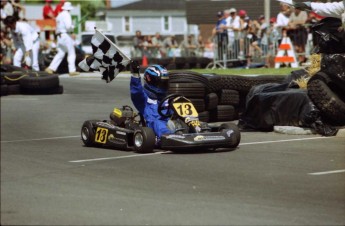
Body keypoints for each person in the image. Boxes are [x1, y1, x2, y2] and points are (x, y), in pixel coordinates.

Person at [129, 60, 174, 140]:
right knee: (158, 123)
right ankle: (169, 138)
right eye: (160, 83)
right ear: (149, 80)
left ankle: (197, 130)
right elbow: (136, 92)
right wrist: (135, 74)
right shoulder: (144, 99)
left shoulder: (167, 98)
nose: (162, 86)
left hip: (169, 123)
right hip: (152, 127)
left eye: (164, 83)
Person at [45, 2, 79, 76]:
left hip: (59, 36)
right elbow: (68, 27)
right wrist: (73, 27)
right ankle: (72, 70)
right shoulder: (67, 15)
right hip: (66, 35)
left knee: (60, 53)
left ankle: (50, 68)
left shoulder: (60, 15)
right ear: (69, 9)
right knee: (71, 53)